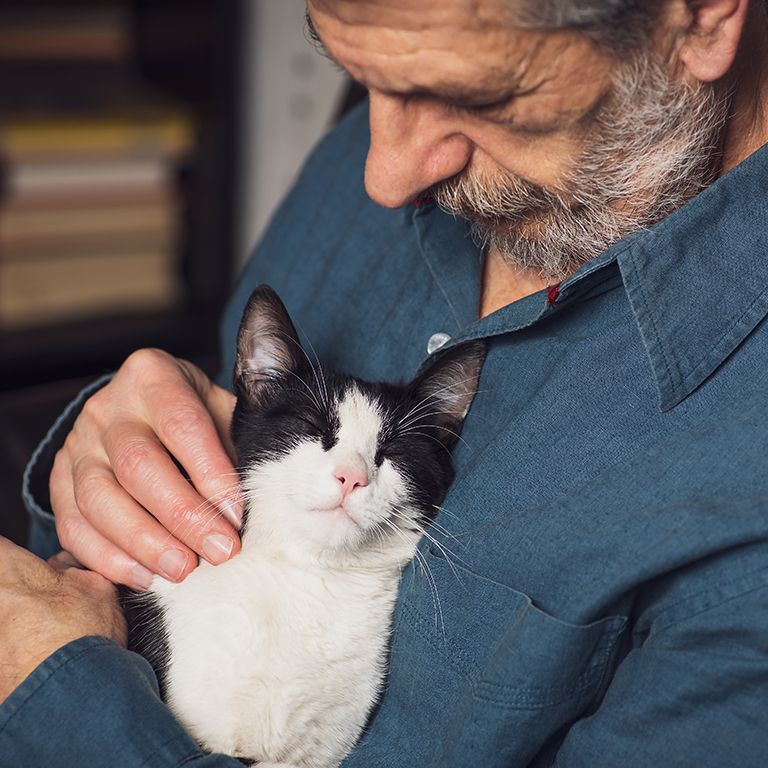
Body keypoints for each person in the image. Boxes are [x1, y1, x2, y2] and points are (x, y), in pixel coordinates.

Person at [2, 0, 767, 765]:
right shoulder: (387, 123)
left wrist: (60, 696)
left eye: (479, 98)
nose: (385, 177)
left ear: (698, 17)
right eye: (358, 78)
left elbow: (47, 674)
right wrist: (107, 466)